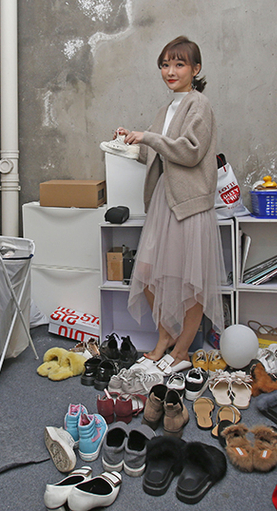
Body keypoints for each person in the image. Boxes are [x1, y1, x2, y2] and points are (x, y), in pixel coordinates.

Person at [113, 35, 224, 371]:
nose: (170, 71)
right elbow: (156, 153)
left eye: (179, 64)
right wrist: (129, 142)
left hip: (189, 202)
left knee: (192, 281)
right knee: (147, 273)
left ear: (196, 69)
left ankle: (181, 352)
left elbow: (189, 152)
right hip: (165, 199)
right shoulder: (166, 110)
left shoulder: (199, 105)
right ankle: (165, 335)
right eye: (165, 65)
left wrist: (148, 137)